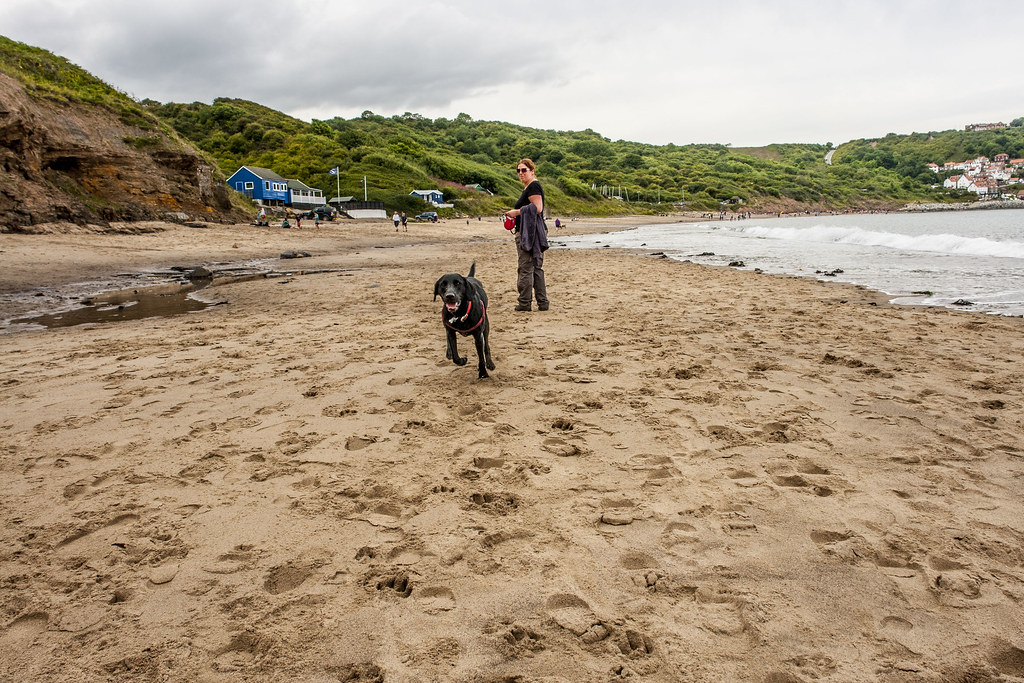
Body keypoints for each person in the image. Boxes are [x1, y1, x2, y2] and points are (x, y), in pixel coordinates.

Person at [503, 158, 549, 312]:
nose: (521, 173)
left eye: (524, 170)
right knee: (536, 267)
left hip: (529, 233)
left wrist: (515, 212)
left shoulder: (533, 186)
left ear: (532, 171)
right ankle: (542, 303)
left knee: (525, 268)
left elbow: (537, 208)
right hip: (534, 231)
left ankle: (524, 303)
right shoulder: (530, 187)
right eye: (518, 170)